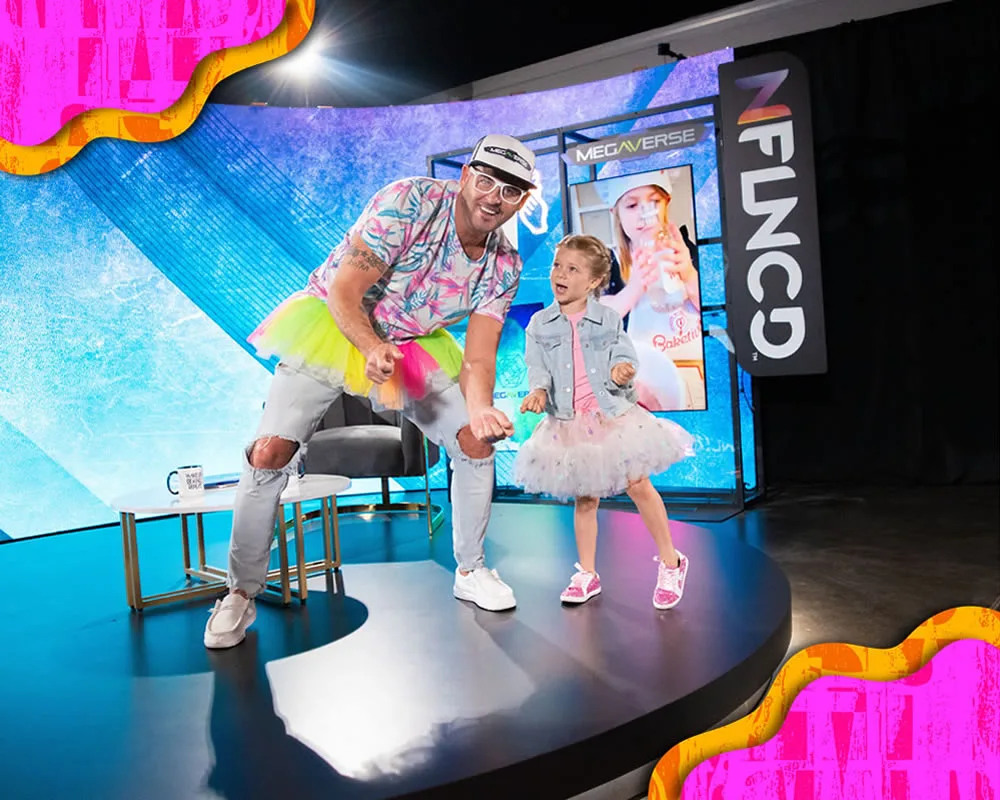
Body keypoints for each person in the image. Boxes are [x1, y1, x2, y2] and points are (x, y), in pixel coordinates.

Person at [204, 134, 538, 649]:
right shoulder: (410, 201)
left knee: (475, 442)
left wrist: (480, 409)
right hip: (336, 327)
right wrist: (370, 346)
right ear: (466, 176)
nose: (494, 197)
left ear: (522, 200)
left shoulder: (504, 266)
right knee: (269, 452)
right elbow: (345, 291)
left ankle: (471, 570)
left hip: (413, 345)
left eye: (510, 191)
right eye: (487, 181)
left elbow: (478, 357)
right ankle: (239, 594)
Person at [511, 234, 694, 608]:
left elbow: (623, 355)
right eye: (557, 266)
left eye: (572, 269)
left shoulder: (608, 318)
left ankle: (672, 562)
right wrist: (538, 391)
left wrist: (621, 370)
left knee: (638, 485)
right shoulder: (540, 325)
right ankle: (587, 573)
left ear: (594, 281)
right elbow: (537, 367)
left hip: (612, 417)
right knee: (585, 498)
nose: (560, 274)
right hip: (569, 422)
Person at [598, 171, 702, 412]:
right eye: (632, 205)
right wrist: (634, 288)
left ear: (667, 204)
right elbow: (596, 322)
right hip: (644, 388)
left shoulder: (686, 251)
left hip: (696, 375)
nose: (645, 213)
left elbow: (718, 310)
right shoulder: (609, 263)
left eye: (654, 201)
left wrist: (688, 274)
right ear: (616, 213)